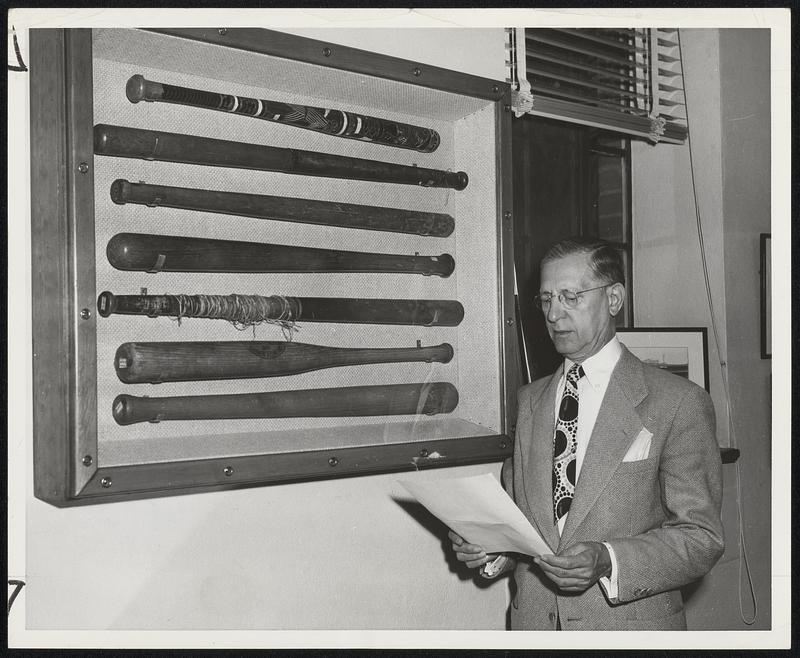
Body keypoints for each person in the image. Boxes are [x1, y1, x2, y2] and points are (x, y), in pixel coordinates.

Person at [449, 237, 724, 630]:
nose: (554, 314)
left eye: (570, 297)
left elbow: (702, 537)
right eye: (546, 299)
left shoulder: (677, 402)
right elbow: (527, 527)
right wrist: (490, 546)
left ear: (614, 299)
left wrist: (608, 559)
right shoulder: (528, 402)